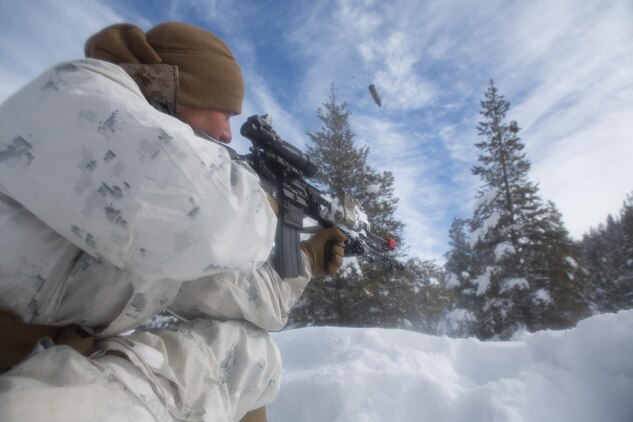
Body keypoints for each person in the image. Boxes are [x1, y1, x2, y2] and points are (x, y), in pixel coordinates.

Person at [0, 21, 346, 421]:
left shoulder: (155, 231)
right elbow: (206, 222)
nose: (228, 134)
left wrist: (303, 259)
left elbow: (243, 299)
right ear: (182, 89)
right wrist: (269, 202)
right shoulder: (76, 92)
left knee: (248, 354)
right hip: (24, 385)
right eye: (225, 112)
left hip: (43, 364)